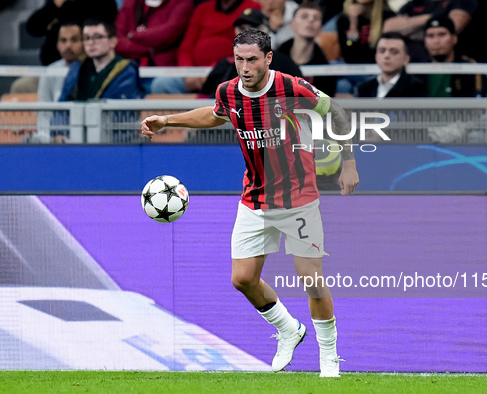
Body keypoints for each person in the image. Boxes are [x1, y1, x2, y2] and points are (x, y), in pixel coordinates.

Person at [140, 28, 359, 378]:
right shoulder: (227, 91)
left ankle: (330, 358)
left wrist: (348, 162)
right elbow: (214, 114)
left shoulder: (292, 88)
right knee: (242, 279)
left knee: (311, 281)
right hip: (254, 198)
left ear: (268, 59)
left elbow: (338, 112)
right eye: (239, 59)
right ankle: (289, 329)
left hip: (298, 199)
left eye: (252, 59)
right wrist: (167, 120)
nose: (244, 67)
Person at [149, 0, 261, 94]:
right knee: (160, 85)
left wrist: (213, 74)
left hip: (228, 73)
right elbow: (185, 49)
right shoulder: (202, 9)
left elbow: (249, 48)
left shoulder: (251, 8)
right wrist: (189, 74)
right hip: (195, 74)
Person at [201, 8, 303, 96]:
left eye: (252, 28)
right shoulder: (225, 63)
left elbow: (301, 98)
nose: (245, 33)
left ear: (265, 30)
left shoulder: (284, 63)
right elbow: (205, 98)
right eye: (241, 28)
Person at [59, 20, 142, 101]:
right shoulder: (77, 67)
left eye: (97, 37)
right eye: (86, 38)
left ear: (112, 41)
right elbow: (63, 103)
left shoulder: (126, 70)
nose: (91, 42)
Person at [26, 0, 117, 66]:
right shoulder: (58, 4)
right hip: (53, 66)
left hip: (88, 67)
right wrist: (54, 6)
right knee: (21, 86)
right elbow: (33, 29)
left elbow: (105, 25)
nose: (68, 45)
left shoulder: (101, 4)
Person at [382, 0, 477, 62]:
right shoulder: (413, 4)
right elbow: (388, 28)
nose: (435, 39)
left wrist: (410, 27)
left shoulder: (462, 2)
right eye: (430, 36)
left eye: (439, 35)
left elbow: (453, 26)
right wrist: (433, 18)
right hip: (415, 68)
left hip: (455, 68)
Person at [278, 1, 337, 96]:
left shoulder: (326, 71)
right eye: (304, 16)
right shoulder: (274, 61)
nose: (310, 20)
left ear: (320, 27)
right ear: (292, 25)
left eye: (316, 18)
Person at [421, 16, 487, 97]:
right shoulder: (416, 70)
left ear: (454, 39)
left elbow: (478, 102)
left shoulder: (470, 69)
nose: (436, 41)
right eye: (430, 36)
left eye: (442, 35)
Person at [115, 0, 193, 67]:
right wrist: (152, 49)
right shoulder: (130, 3)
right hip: (128, 67)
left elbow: (168, 33)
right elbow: (116, 40)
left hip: (164, 68)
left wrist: (132, 35)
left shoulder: (181, 2)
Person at [356, 32, 427, 97]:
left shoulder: (416, 88)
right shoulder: (364, 88)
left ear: (406, 59)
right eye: (382, 51)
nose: (386, 56)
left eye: (394, 52)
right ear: (376, 56)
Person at [38, 22, 85, 102]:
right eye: (63, 40)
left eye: (74, 40)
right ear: (57, 45)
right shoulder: (50, 71)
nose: (68, 45)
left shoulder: (91, 70)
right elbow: (44, 111)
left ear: (84, 42)